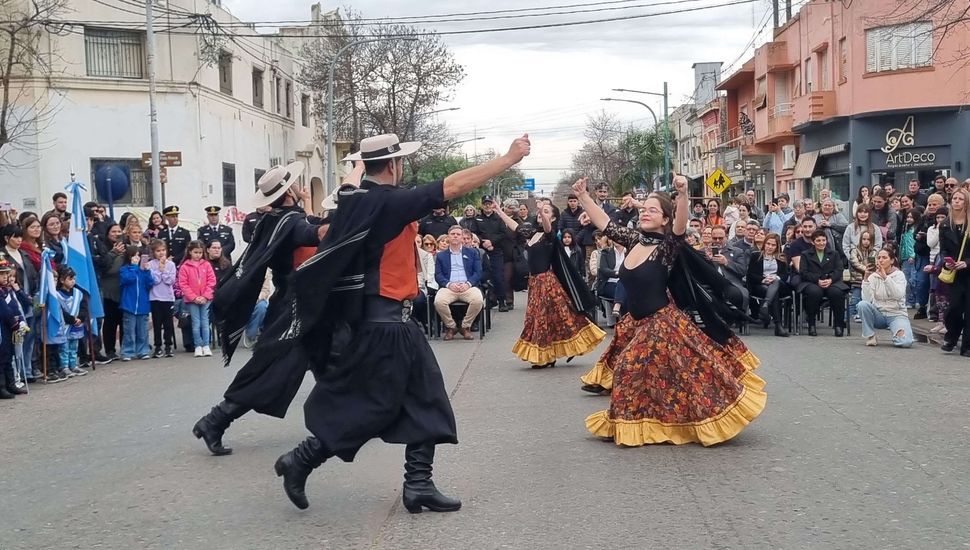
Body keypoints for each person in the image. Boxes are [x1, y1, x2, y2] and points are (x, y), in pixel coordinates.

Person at [257, 133, 531, 513]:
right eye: (400, 161)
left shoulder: (353, 200)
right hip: (385, 326)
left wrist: (357, 164)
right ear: (393, 165)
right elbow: (452, 185)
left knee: (426, 398)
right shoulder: (388, 203)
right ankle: (300, 461)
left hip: (386, 323)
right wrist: (507, 159)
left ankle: (417, 484)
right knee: (369, 406)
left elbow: (351, 183)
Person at [573, 175, 765, 446]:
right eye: (644, 209)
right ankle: (651, 424)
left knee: (630, 369)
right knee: (667, 377)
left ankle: (630, 427)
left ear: (664, 218)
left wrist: (684, 194)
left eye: (653, 210)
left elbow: (679, 227)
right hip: (638, 322)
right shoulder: (633, 241)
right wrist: (583, 197)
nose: (646, 213)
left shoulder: (666, 248)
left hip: (660, 323)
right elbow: (605, 223)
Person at [194, 160, 330, 456]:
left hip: (297, 301)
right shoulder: (290, 223)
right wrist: (358, 215)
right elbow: (315, 234)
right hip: (295, 306)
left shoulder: (275, 220)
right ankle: (216, 420)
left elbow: (309, 227)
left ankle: (348, 418)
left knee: (331, 357)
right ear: (289, 192)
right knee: (273, 371)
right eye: (294, 185)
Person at [493, 200, 605, 369]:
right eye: (540, 211)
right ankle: (549, 354)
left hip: (547, 283)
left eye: (546, 211)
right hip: (535, 282)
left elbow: (547, 228)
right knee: (543, 318)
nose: (541, 213)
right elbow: (516, 226)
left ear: (552, 218)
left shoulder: (550, 236)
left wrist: (542, 212)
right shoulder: (532, 233)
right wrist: (499, 212)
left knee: (545, 319)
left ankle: (544, 356)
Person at [433, 225, 484, 340]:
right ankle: (451, 327)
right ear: (448, 236)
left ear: (462, 237)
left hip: (468, 286)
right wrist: (449, 284)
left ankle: (465, 327)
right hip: (449, 287)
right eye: (453, 234)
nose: (455, 236)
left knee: (478, 300)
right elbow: (438, 275)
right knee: (439, 302)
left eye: (458, 234)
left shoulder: (472, 253)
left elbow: (478, 272)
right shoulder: (441, 256)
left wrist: (468, 284)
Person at [857, 247, 913, 348]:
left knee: (906, 342)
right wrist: (865, 280)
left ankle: (896, 333)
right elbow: (866, 299)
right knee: (862, 305)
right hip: (879, 314)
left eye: (884, 257)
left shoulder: (899, 275)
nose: (881, 260)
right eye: (878, 258)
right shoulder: (873, 276)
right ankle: (871, 336)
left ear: (891, 260)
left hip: (896, 314)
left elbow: (898, 295)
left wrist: (886, 278)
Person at [798, 230, 849, 337]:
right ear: (813, 242)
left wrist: (830, 279)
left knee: (837, 293)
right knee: (814, 293)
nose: (821, 243)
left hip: (831, 282)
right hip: (812, 282)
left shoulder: (834, 254)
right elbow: (803, 272)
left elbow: (839, 270)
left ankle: (838, 325)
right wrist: (817, 280)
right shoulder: (805, 255)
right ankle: (811, 324)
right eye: (818, 240)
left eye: (823, 240)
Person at [939, 186, 970, 356]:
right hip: (955, 274)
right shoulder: (945, 224)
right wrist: (947, 262)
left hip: (968, 269)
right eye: (955, 199)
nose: (957, 202)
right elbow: (943, 250)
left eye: (961, 199)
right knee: (954, 308)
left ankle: (967, 345)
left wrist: (966, 263)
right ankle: (952, 335)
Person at [747, 233, 790, 337]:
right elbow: (750, 275)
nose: (770, 247)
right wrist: (763, 279)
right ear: (764, 244)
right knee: (772, 292)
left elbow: (785, 275)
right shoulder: (756, 256)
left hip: (779, 284)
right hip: (760, 285)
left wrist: (776, 277)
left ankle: (765, 305)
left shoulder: (781, 258)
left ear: (777, 246)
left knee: (775, 283)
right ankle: (778, 326)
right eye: (768, 244)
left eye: (773, 245)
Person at [178, 240, 216, 358]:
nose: (198, 255)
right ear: (190, 252)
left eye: (200, 252)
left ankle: (206, 345)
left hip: (206, 299)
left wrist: (205, 296)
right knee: (196, 323)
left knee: (205, 322)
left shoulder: (206, 265)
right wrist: (194, 297)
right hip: (192, 300)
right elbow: (183, 284)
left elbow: (212, 281)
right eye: (195, 252)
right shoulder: (185, 267)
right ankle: (198, 346)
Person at [473, 195, 511, 311]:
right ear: (482, 205)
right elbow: (474, 233)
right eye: (485, 204)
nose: (487, 206)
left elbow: (504, 234)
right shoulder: (477, 219)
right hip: (482, 251)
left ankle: (501, 301)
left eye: (489, 203)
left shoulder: (499, 219)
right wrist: (483, 242)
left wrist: (491, 242)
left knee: (498, 277)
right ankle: (486, 300)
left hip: (496, 250)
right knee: (483, 276)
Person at [97, 224, 125, 361]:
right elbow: (105, 267)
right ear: (108, 233)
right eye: (113, 231)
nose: (116, 234)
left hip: (123, 290)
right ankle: (110, 350)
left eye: (119, 231)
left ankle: (125, 347)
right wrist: (113, 254)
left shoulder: (125, 247)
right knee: (110, 322)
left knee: (123, 320)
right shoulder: (104, 247)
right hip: (108, 290)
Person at [119, 245, 153, 361]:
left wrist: (147, 272)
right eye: (135, 256)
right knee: (129, 330)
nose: (137, 258)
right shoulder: (125, 269)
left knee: (143, 330)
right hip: (129, 305)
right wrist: (133, 267)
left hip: (143, 305)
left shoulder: (142, 271)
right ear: (129, 257)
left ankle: (143, 350)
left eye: (139, 256)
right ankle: (127, 351)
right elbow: (128, 279)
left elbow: (149, 284)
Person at [148, 239, 176, 358]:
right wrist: (159, 269)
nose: (161, 253)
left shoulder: (171, 264)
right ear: (153, 252)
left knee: (168, 323)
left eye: (163, 250)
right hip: (155, 298)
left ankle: (168, 345)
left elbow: (170, 281)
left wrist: (163, 269)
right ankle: (158, 346)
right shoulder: (150, 264)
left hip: (168, 298)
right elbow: (155, 280)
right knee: (157, 323)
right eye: (158, 251)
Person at [848, 230, 878, 322]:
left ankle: (861, 315)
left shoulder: (874, 252)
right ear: (860, 239)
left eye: (868, 239)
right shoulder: (854, 250)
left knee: (866, 300)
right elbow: (854, 263)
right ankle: (844, 319)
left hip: (869, 280)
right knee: (855, 300)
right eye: (864, 239)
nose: (866, 241)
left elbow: (875, 263)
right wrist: (866, 269)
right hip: (857, 280)